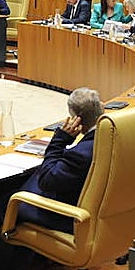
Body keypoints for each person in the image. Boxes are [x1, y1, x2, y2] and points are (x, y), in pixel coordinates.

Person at [10, 88, 102, 233]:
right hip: (105, 218)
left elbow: (47, 181)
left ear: (76, 118)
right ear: (101, 108)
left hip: (69, 218)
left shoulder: (81, 154)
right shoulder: (113, 138)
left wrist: (59, 141)